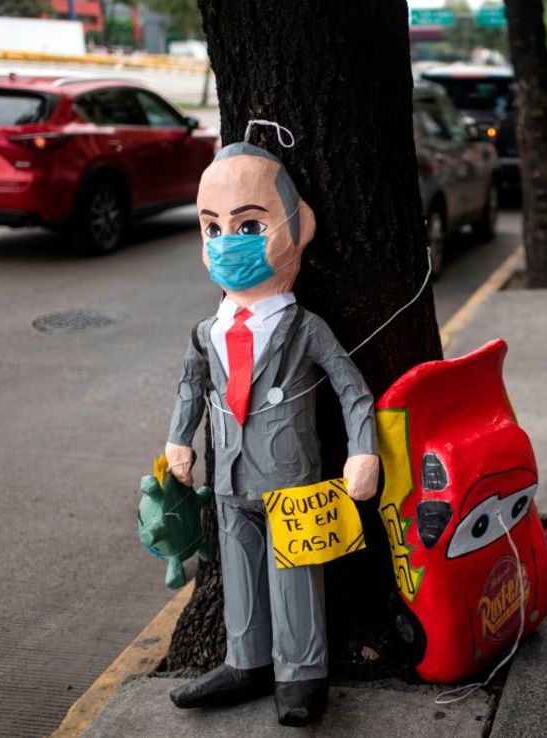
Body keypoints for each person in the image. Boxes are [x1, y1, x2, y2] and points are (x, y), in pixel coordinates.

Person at [164, 139, 380, 727]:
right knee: (238, 574)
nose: (228, 243)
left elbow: (352, 389)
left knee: (296, 578)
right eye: (213, 229)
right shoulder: (208, 331)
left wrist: (364, 449)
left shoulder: (304, 328)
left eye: (250, 224)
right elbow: (191, 388)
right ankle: (246, 660)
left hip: (291, 480)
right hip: (230, 477)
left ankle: (301, 672)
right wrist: (178, 439)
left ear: (298, 226)